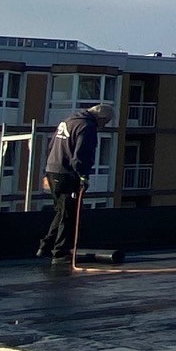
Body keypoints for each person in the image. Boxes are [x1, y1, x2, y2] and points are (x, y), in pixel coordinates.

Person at [36, 101, 114, 259]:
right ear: (101, 118)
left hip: (53, 171)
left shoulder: (68, 121)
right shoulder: (87, 126)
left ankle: (45, 246)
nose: (104, 126)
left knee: (61, 211)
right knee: (69, 214)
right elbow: (81, 155)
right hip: (67, 174)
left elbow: (51, 146)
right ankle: (60, 250)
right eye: (106, 122)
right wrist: (83, 176)